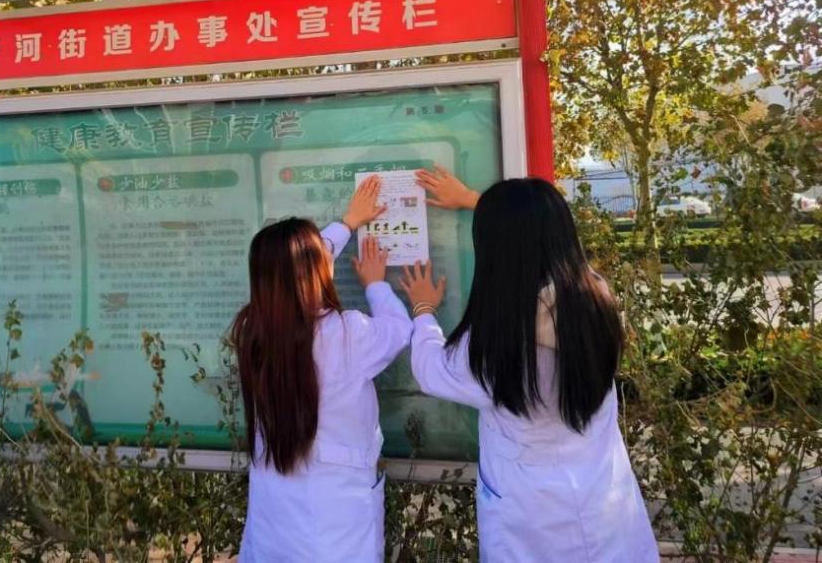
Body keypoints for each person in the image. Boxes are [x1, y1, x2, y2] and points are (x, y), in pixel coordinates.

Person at [401, 170, 659, 563]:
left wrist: (423, 309)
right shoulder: (596, 301)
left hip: (532, 523)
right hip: (604, 510)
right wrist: (474, 200)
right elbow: (533, 235)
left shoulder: (495, 347)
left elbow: (431, 370)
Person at [233, 176, 412, 563]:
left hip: (274, 525)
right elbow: (399, 330)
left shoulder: (253, 333)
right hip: (337, 528)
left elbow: (289, 269)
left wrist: (347, 224)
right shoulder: (349, 334)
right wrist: (376, 285)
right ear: (317, 271)